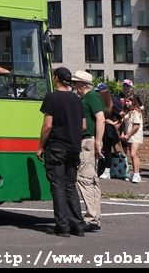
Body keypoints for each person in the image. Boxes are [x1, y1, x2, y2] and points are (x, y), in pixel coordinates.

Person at [37, 66, 87, 237]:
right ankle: (77, 225)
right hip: (73, 148)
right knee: (70, 186)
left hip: (56, 147)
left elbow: (47, 126)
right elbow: (83, 126)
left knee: (58, 186)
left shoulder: (52, 98)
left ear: (56, 79)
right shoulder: (77, 99)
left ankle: (62, 226)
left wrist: (40, 146)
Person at [72, 71, 104, 231]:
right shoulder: (88, 97)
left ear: (84, 85)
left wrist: (98, 142)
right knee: (91, 179)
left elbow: (100, 118)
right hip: (89, 141)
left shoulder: (91, 97)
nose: (74, 86)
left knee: (84, 178)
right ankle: (94, 217)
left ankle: (91, 217)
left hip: (87, 141)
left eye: (76, 83)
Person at [96, 84, 121, 179]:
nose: (98, 94)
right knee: (100, 149)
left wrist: (114, 123)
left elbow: (123, 115)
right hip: (100, 128)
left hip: (108, 130)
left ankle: (107, 171)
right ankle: (100, 169)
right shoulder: (99, 104)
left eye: (99, 92)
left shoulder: (112, 105)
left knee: (107, 150)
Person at [120, 94, 144, 183]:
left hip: (135, 136)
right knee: (133, 155)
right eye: (125, 101)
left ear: (133, 102)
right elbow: (126, 125)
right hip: (130, 136)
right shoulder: (128, 112)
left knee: (133, 154)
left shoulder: (135, 112)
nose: (126, 103)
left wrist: (128, 135)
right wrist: (124, 133)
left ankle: (136, 174)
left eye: (128, 101)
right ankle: (135, 174)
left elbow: (136, 126)